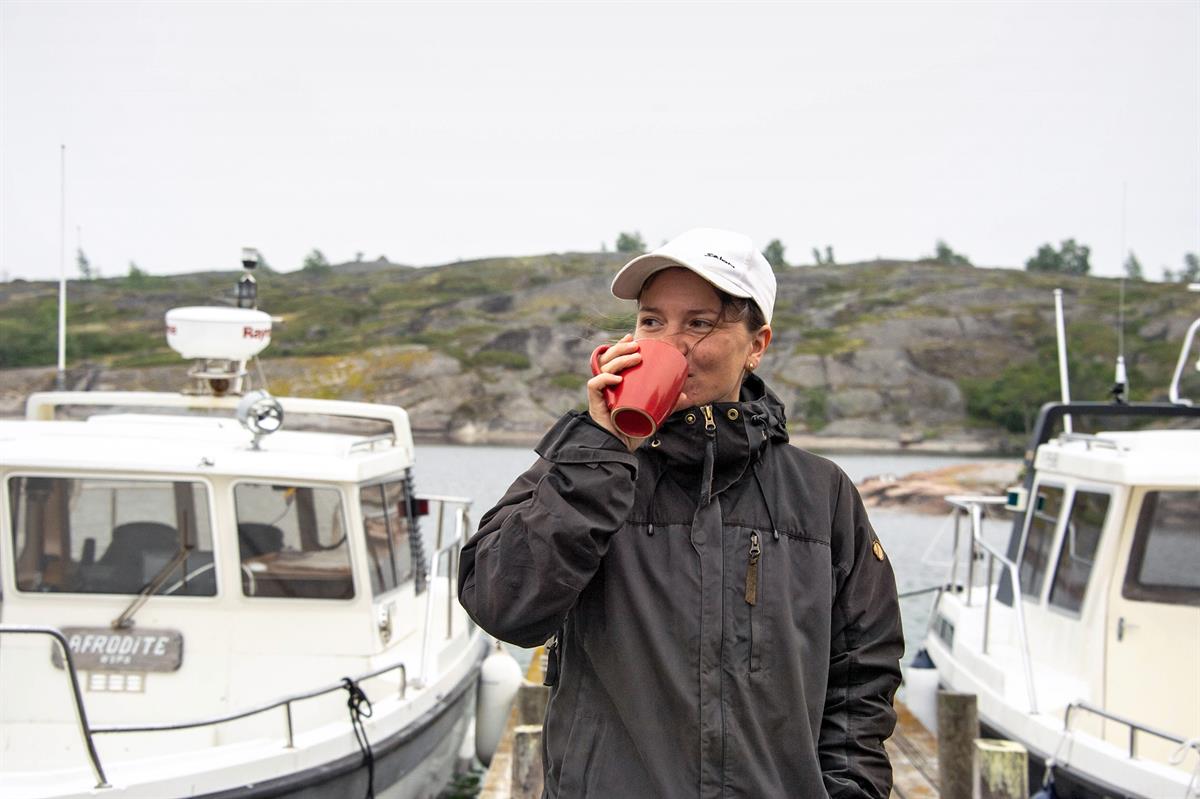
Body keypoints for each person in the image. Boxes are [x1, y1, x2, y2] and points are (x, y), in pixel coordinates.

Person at [459, 228, 903, 798]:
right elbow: (503, 607)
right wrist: (602, 448)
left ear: (757, 343)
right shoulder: (583, 467)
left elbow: (862, 674)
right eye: (651, 321)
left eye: (699, 322)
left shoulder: (822, 493)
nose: (670, 342)